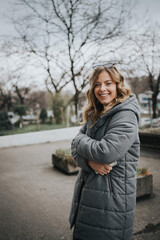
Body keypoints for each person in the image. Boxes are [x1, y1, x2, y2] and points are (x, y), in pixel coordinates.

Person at [69, 63, 140, 240]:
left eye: (108, 83)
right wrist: (89, 162)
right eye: (97, 84)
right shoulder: (96, 112)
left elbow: (106, 152)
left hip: (111, 204)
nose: (102, 89)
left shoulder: (126, 114)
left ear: (118, 85)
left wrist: (79, 139)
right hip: (88, 197)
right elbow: (74, 149)